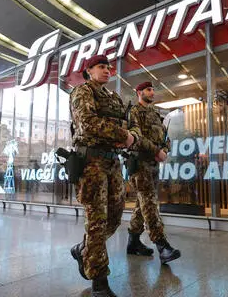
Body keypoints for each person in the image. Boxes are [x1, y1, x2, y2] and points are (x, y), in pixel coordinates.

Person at [69, 55, 138, 297]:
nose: (108, 70)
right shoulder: (82, 92)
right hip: (92, 162)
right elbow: (87, 123)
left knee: (115, 217)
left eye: (109, 67)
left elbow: (126, 125)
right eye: (101, 67)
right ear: (89, 71)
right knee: (97, 220)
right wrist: (123, 134)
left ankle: (83, 249)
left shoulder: (113, 97)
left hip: (112, 161)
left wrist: (130, 135)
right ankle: (99, 282)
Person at [126, 81, 181, 264]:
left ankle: (133, 242)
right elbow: (136, 138)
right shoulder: (134, 113)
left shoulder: (156, 115)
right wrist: (156, 151)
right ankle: (162, 245)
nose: (152, 92)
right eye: (148, 89)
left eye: (153, 89)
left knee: (142, 205)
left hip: (154, 166)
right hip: (140, 164)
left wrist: (165, 150)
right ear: (139, 92)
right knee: (149, 202)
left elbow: (166, 138)